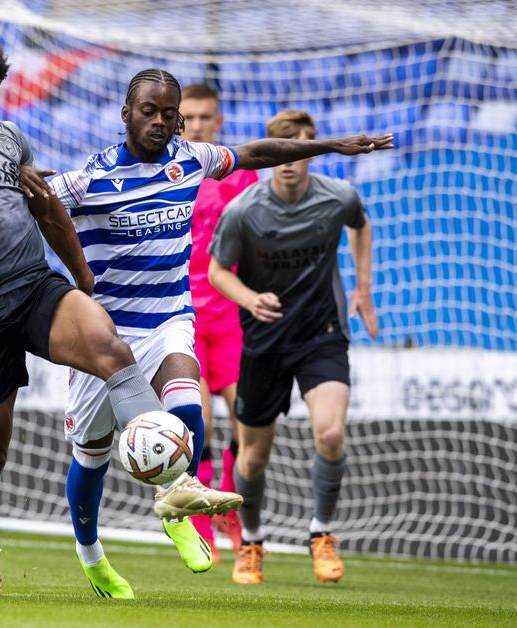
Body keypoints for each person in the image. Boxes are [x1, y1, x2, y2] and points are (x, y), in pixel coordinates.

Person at [0, 35, 227, 598]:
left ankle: (175, 488)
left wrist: (81, 277)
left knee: (112, 350)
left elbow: (46, 206)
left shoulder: (8, 138)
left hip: (36, 286)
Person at [33, 71, 391, 598]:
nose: (160, 121)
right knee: (91, 457)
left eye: (168, 112)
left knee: (188, 407)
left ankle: (179, 505)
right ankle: (92, 557)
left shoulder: (192, 160)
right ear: (125, 114)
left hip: (168, 318)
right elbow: (33, 201)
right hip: (102, 332)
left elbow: (258, 152)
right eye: (149, 111)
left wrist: (332, 145)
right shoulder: (91, 180)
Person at [207, 109, 381, 586]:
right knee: (253, 457)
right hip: (264, 341)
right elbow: (217, 271)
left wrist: (362, 288)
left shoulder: (338, 197)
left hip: (320, 333)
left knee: (329, 434)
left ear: (311, 151)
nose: (289, 162)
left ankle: (322, 534)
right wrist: (248, 297)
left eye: (300, 149)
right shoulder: (244, 211)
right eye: (282, 151)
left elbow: (361, 225)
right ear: (271, 156)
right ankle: (252, 541)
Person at [178, 83, 260, 562]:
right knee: (200, 421)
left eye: (205, 117)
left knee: (248, 416)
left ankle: (230, 500)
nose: (196, 125)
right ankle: (206, 514)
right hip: (186, 314)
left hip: (233, 314)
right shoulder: (168, 174)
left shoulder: (240, 178)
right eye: (188, 117)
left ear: (219, 121)